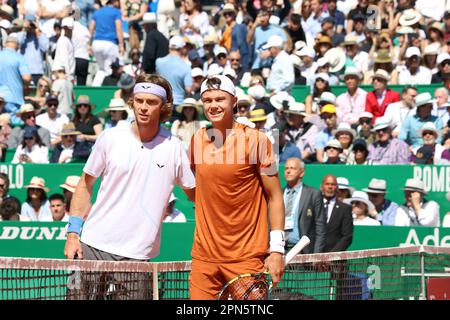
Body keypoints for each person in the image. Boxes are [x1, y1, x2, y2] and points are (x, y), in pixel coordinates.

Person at [64, 73, 195, 299]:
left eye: (151, 102)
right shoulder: (110, 137)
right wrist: (73, 233)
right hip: (91, 246)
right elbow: (85, 186)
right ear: (132, 102)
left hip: (138, 256)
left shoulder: (175, 148)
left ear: (163, 107)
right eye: (139, 101)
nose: (143, 107)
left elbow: (196, 196)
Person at [188, 75, 284, 300]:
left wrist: (277, 248)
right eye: (208, 100)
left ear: (234, 102)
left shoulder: (259, 141)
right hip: (204, 258)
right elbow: (194, 188)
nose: (213, 105)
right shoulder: (196, 140)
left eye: (220, 99)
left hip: (247, 257)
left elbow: (275, 196)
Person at [283, 157, 326, 253]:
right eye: (286, 168)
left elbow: (320, 226)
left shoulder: (313, 194)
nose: (288, 171)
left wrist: (317, 255)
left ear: (302, 173)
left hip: (303, 251)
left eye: (292, 168)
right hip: (279, 251)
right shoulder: (278, 193)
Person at [90, 0, 124, 86]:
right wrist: (121, 44)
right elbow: (118, 28)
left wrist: (89, 44)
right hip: (110, 43)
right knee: (109, 70)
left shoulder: (97, 12)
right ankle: (107, 92)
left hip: (96, 43)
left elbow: (91, 29)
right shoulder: (116, 12)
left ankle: (95, 88)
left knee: (101, 69)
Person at [0, 35, 32, 126]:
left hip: (1, 99)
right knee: (15, 127)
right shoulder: (19, 58)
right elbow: (27, 77)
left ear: (5, 44)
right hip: (14, 99)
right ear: (18, 46)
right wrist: (26, 85)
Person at [156, 36, 192, 110]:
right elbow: (188, 89)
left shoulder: (158, 62)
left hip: (163, 102)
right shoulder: (186, 66)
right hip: (178, 104)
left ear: (169, 47)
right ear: (182, 48)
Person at [321, 174, 353, 253]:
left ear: (337, 187)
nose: (330, 187)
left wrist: (331, 256)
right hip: (312, 258)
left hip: (335, 260)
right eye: (327, 184)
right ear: (321, 187)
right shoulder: (313, 205)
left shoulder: (345, 208)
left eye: (333, 184)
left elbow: (347, 236)